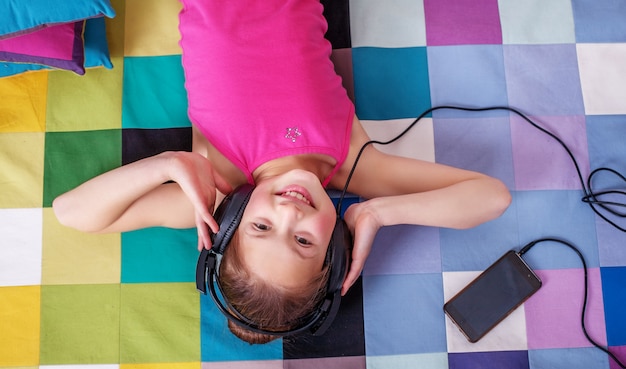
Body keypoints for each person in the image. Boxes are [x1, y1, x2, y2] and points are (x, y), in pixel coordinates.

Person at [53, 0, 511, 344]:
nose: (288, 213)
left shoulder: (217, 183)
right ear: (336, 248)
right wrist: (377, 214)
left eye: (261, 227)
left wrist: (167, 164)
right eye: (304, 241)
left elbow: (72, 212)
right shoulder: (352, 164)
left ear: (231, 220)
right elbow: (491, 196)